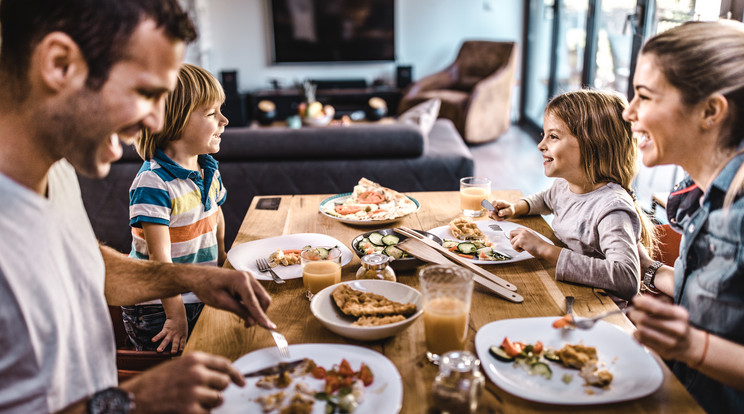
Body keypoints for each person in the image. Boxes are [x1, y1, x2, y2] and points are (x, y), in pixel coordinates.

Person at [0, 1, 276, 412]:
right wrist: (133, 401)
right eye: (145, 92)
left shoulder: (55, 169)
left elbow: (86, 266)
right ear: (59, 65)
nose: (155, 121)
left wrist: (194, 278)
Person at [622, 20, 744, 413]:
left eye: (644, 96)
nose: (629, 112)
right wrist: (649, 269)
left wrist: (693, 346)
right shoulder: (705, 196)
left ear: (711, 110)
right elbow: (720, 301)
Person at [488, 89, 656, 303]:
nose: (541, 145)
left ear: (593, 145)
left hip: (598, 310)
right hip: (567, 292)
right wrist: (516, 208)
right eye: (544, 135)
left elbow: (626, 279)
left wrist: (546, 250)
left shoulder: (612, 208)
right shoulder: (566, 186)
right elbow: (547, 199)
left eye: (554, 137)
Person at [123, 63, 229, 354]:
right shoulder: (153, 182)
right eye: (211, 113)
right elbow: (160, 259)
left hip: (197, 293)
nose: (225, 120)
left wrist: (222, 260)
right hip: (160, 307)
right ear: (175, 121)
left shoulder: (207, 167)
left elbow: (214, 214)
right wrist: (175, 315)